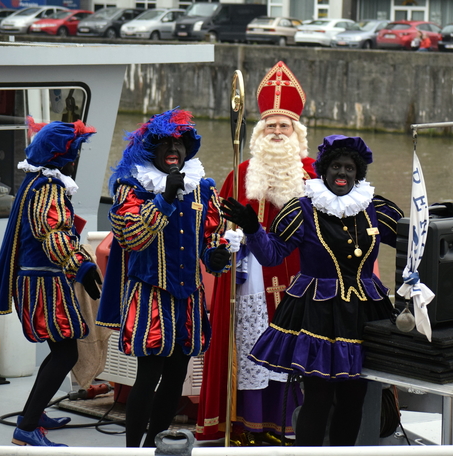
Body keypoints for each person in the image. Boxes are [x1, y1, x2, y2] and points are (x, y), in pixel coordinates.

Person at [221, 135, 404, 446]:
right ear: (324, 170)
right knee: (318, 397)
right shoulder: (302, 209)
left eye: (348, 167)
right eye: (335, 166)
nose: (342, 172)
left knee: (353, 398)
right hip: (317, 315)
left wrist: (438, 218)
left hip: (363, 314)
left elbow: (413, 242)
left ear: (357, 172)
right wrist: (252, 228)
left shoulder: (376, 209)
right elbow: (272, 255)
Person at [196, 61, 316, 446]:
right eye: (270, 126)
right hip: (250, 280)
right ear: (260, 132)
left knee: (293, 347)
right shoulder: (240, 171)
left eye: (285, 126)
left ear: (297, 132)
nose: (277, 132)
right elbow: (217, 225)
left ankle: (289, 423)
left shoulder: (313, 175)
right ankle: (248, 423)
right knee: (250, 346)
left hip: (299, 276)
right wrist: (224, 241)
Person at [96, 108, 231, 447]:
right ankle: (133, 451)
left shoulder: (203, 188)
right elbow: (132, 238)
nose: (174, 149)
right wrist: (165, 198)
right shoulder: (133, 187)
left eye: (180, 143)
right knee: (148, 376)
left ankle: (156, 445)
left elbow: (210, 241)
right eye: (166, 144)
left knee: (175, 377)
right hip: (151, 298)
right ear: (152, 150)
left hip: (188, 298)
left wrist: (215, 256)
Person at [0, 118, 101, 447]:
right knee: (66, 353)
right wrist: (82, 266)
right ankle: (28, 427)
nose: (75, 159)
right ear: (61, 156)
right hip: (43, 285)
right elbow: (53, 234)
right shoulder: (49, 189)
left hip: (39, 281)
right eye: (73, 152)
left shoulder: (37, 182)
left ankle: (30, 415)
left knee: (60, 350)